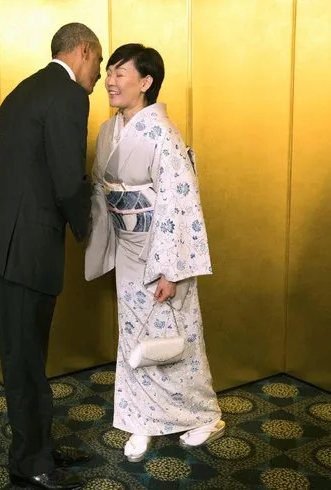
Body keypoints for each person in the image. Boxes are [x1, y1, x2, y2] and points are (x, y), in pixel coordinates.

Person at [0, 23, 102, 490]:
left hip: (6, 244)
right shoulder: (67, 94)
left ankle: (37, 445)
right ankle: (30, 462)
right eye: (99, 63)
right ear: (83, 51)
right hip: (25, 248)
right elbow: (67, 180)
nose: (99, 76)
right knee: (24, 363)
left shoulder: (22, 91)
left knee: (26, 358)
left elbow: (27, 171)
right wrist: (93, 233)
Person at [85, 43, 225, 463]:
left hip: (161, 250)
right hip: (128, 247)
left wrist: (170, 269)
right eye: (109, 72)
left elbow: (179, 203)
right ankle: (141, 419)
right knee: (134, 333)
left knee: (174, 337)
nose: (110, 80)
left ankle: (205, 415)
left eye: (120, 73)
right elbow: (100, 188)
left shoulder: (163, 133)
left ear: (145, 83)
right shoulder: (109, 130)